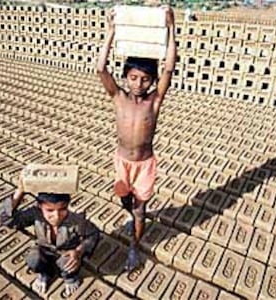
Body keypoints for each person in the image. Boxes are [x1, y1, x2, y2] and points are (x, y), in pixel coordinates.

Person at [96, 6, 176, 271]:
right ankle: (131, 211)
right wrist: (110, 32)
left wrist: (171, 28)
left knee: (141, 210)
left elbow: (168, 69)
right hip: (122, 162)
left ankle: (134, 247)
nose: (138, 84)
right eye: (133, 78)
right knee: (124, 197)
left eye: (144, 79)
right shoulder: (118, 98)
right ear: (126, 77)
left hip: (144, 165)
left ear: (151, 81)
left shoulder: (154, 102)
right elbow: (100, 68)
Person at [0, 176, 99, 296]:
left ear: (67, 205)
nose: (56, 215)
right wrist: (20, 191)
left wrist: (78, 251)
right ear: (40, 207)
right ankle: (45, 273)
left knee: (69, 262)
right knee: (33, 258)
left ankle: (69, 277)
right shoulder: (35, 214)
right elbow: (5, 219)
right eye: (50, 210)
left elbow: (94, 234)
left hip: (65, 255)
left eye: (62, 209)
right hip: (44, 253)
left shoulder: (76, 220)